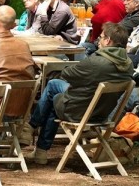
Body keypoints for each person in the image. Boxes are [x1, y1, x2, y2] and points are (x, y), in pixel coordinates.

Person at [29, 22, 133, 165]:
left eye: (101, 37)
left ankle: (32, 131)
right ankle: (37, 144)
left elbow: (67, 74)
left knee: (55, 96)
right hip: (102, 113)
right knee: (55, 89)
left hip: (80, 111)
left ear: (108, 41)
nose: (98, 41)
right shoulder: (128, 64)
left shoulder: (96, 62)